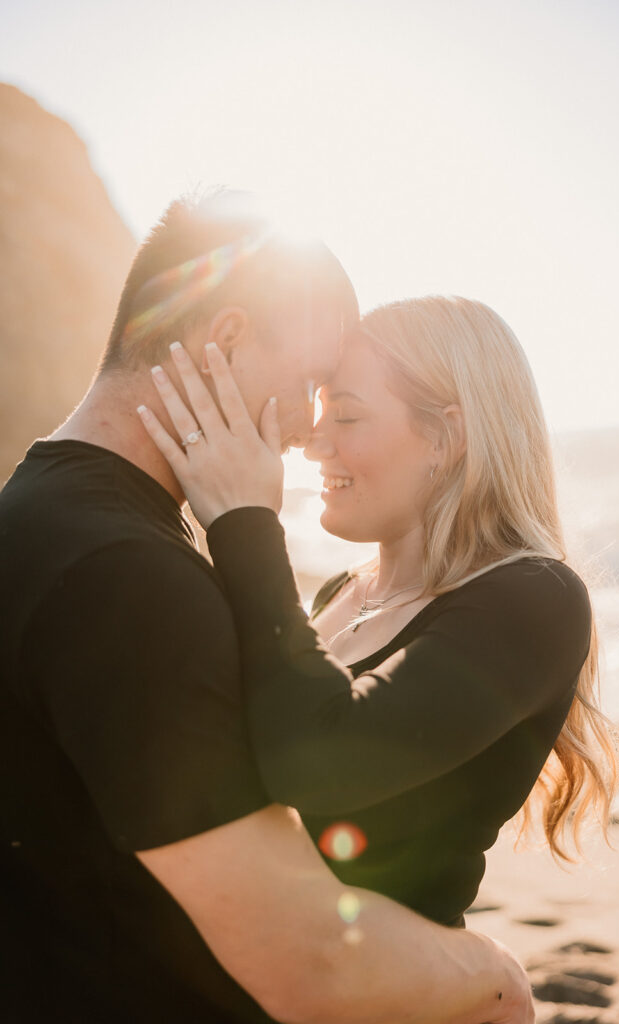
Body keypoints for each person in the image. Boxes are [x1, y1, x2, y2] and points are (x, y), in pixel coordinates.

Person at [0, 193, 533, 1024]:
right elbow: (308, 963)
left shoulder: (37, 512)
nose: (307, 431)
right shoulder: (125, 574)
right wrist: (492, 975)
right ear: (226, 341)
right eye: (315, 385)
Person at [139, 293, 619, 934]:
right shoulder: (337, 592)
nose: (313, 443)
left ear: (447, 435)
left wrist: (244, 523)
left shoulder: (536, 599)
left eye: (344, 416)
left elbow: (321, 769)